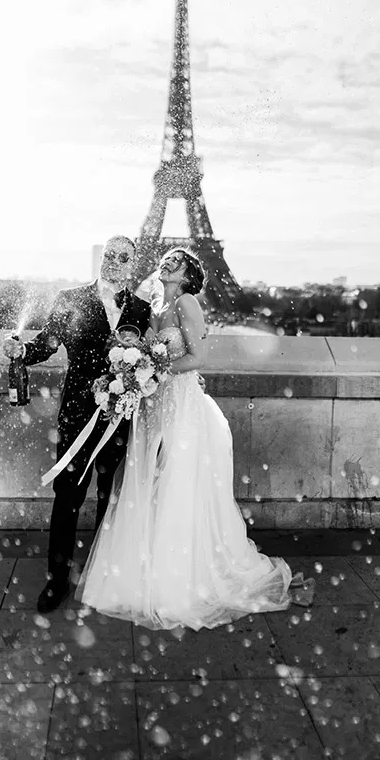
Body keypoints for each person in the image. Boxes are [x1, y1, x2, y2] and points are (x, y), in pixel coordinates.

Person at [77, 247, 314, 630]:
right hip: (153, 404)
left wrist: (151, 369)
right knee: (152, 482)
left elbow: (198, 358)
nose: (168, 261)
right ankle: (154, 572)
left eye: (178, 260)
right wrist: (138, 369)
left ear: (188, 274)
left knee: (174, 482)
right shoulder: (154, 304)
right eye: (166, 257)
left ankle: (177, 579)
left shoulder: (187, 302)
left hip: (178, 404)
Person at [3, 236, 150, 613]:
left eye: (124, 257)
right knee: (68, 497)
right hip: (77, 414)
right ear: (102, 259)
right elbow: (48, 342)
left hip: (119, 417)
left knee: (110, 497)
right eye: (111, 254)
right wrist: (23, 351)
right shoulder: (71, 298)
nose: (115, 261)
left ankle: (105, 575)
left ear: (133, 264)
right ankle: (57, 580)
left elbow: (149, 362)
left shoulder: (142, 309)